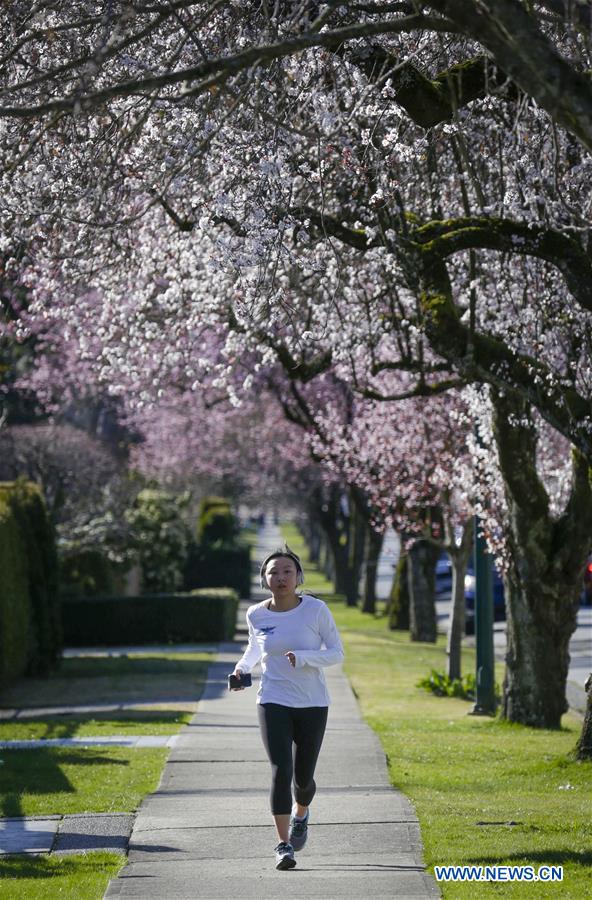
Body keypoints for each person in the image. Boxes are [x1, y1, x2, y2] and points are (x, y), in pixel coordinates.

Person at [230, 544, 344, 871]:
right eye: (273, 573)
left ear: (297, 577)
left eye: (287, 572)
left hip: (312, 702)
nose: (280, 578)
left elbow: (336, 653)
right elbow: (254, 649)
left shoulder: (315, 610)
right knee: (282, 771)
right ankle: (283, 846)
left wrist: (304, 657)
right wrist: (241, 669)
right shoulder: (257, 614)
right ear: (265, 580)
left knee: (303, 780)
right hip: (273, 699)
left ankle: (302, 812)